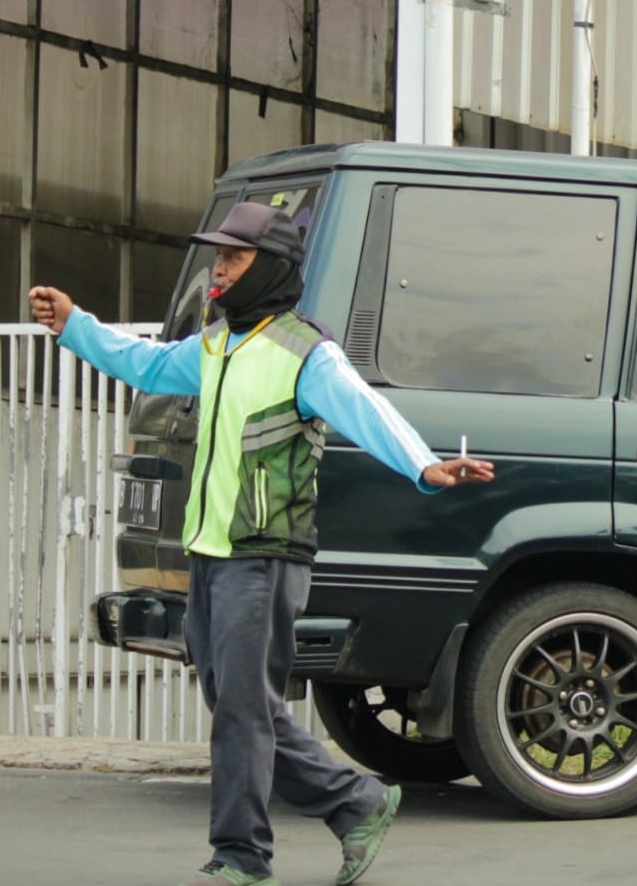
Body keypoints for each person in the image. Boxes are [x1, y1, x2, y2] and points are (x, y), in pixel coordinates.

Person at [29, 202, 495, 886]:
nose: (218, 269)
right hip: (211, 552)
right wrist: (76, 325)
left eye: (233, 257)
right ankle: (356, 801)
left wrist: (424, 465)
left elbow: (367, 409)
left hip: (267, 553)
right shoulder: (217, 343)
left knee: (243, 711)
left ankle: (241, 856)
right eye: (217, 256)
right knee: (241, 703)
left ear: (270, 267)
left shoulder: (304, 352)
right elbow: (150, 365)